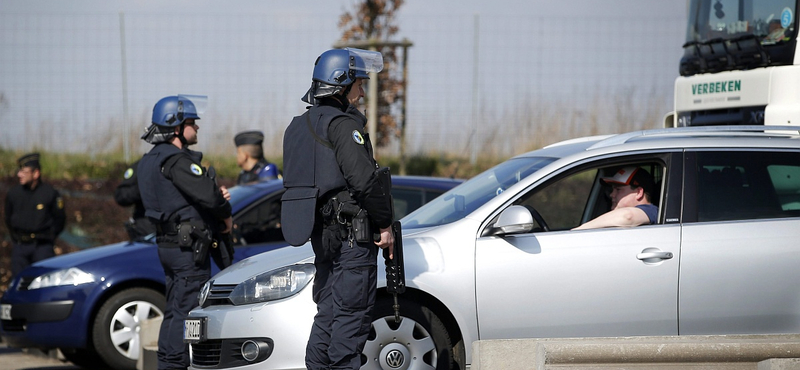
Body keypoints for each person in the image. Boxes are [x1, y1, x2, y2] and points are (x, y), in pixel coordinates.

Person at [281, 48, 395, 370]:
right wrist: (385, 225)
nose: (361, 92)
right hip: (352, 241)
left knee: (328, 316)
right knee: (351, 322)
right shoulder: (344, 126)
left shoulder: (297, 128)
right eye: (358, 84)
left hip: (322, 237)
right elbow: (364, 182)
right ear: (340, 84)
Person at [138, 95, 232, 370]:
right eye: (192, 122)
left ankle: (167, 363)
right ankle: (175, 364)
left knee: (173, 310)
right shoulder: (177, 160)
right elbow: (210, 198)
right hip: (187, 250)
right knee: (186, 312)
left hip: (167, 246)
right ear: (176, 126)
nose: (197, 128)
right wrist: (225, 213)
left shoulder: (148, 160)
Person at [4, 153, 66, 276]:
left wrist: (49, 237)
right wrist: (16, 238)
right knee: (19, 282)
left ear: (36, 173)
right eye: (19, 171)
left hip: (42, 247)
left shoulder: (49, 193)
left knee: (44, 282)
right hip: (20, 246)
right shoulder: (14, 193)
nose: (19, 175)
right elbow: (8, 218)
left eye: (23, 171)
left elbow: (60, 219)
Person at [574, 166, 658, 230]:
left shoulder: (651, 211)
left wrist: (579, 230)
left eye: (618, 189)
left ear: (639, 192)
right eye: (612, 189)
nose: (612, 194)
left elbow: (627, 216)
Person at [113, 159, 156, 241]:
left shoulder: (183, 161)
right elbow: (121, 195)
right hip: (147, 231)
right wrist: (143, 188)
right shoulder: (145, 165)